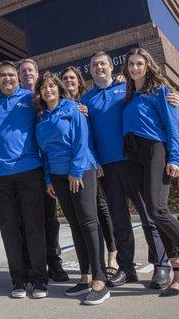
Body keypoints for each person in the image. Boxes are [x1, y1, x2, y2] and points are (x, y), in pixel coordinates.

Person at [122, 48, 179, 297]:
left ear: (148, 66)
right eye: (131, 64)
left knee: (158, 210)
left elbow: (173, 127)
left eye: (139, 63)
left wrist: (174, 157)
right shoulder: (128, 95)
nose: (134, 68)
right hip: (134, 155)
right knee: (152, 215)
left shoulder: (161, 91)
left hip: (155, 150)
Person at [81, 52, 175, 289]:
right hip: (106, 167)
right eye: (94, 65)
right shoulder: (87, 99)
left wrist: (173, 97)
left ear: (111, 67)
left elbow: (152, 95)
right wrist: (95, 161)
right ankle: (127, 268)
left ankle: (161, 266)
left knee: (148, 215)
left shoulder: (127, 89)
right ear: (90, 70)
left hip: (134, 161)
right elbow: (87, 136)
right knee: (118, 220)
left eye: (103, 63)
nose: (99, 68)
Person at [34, 72, 110, 305]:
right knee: (75, 225)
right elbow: (44, 154)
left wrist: (76, 172)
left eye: (51, 86)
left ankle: (100, 280)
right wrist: (48, 180)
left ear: (58, 88)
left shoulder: (72, 108)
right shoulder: (42, 117)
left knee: (88, 222)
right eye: (44, 88)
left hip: (80, 171)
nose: (48, 90)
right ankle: (85, 277)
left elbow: (81, 141)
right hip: (57, 176)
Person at [0, 60, 48, 299]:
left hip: (30, 171)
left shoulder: (30, 98)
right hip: (0, 176)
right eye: (2, 75)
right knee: (9, 229)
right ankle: (18, 280)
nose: (7, 79)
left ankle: (39, 280)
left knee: (34, 227)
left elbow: (54, 108)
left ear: (18, 77)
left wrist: (80, 108)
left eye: (11, 75)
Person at [60, 66, 123, 286]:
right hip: (69, 168)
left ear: (79, 81)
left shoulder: (86, 101)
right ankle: (88, 267)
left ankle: (112, 256)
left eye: (72, 78)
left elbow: (91, 135)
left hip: (90, 163)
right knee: (85, 216)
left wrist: (96, 162)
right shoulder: (58, 104)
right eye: (65, 78)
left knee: (101, 208)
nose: (69, 81)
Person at [18, 59, 68, 282]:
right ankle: (29, 263)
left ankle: (54, 262)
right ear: (19, 76)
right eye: (23, 71)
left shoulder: (46, 99)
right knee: (26, 221)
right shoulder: (16, 98)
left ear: (37, 73)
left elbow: (69, 100)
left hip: (46, 167)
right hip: (25, 169)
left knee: (50, 218)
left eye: (31, 70)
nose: (27, 73)